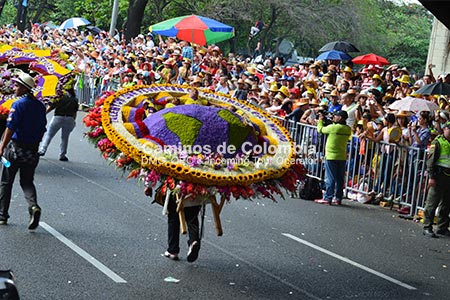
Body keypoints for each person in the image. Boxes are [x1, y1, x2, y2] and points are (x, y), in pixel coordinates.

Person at [0, 73, 47, 229]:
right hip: (32, 151)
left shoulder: (18, 105)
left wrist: (2, 146)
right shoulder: (40, 106)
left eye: (18, 86)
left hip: (14, 149)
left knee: (6, 182)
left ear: (25, 88)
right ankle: (33, 206)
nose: (15, 88)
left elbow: (10, 128)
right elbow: (42, 129)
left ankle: (2, 215)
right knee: (27, 181)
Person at [146, 188, 202, 262]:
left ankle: (173, 250)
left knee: (173, 218)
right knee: (192, 218)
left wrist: (148, 186)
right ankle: (193, 241)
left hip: (176, 191)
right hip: (194, 190)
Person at [314, 110, 352, 205]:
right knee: (339, 179)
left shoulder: (333, 128)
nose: (334, 117)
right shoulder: (348, 129)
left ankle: (328, 197)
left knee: (330, 178)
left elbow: (320, 130)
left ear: (340, 118)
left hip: (331, 156)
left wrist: (320, 120)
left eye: (336, 116)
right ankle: (338, 198)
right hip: (342, 156)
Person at [422, 121, 450, 238]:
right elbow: (431, 161)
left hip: (449, 176)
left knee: (447, 203)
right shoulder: (438, 142)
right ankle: (427, 226)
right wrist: (431, 177)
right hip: (438, 175)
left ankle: (442, 227)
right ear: (445, 129)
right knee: (432, 202)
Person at [38, 82, 78, 161]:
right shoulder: (74, 98)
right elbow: (75, 112)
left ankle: (42, 150)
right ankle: (62, 154)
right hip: (69, 118)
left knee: (49, 134)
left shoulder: (60, 96)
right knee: (65, 137)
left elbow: (52, 106)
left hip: (58, 116)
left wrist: (43, 114)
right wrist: (73, 121)